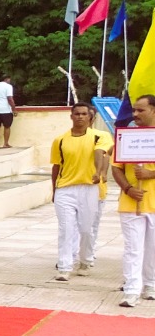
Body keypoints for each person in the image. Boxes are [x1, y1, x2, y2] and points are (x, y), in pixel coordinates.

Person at [50, 101, 111, 281]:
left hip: (89, 188)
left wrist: (99, 172)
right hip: (65, 189)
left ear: (90, 117)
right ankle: (64, 267)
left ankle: (85, 261)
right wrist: (54, 190)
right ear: (71, 116)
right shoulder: (60, 140)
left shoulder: (100, 136)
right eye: (77, 114)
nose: (80, 117)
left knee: (86, 229)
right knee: (66, 228)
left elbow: (101, 153)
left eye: (84, 114)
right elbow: (56, 166)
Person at [112, 94, 155, 307]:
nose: (135, 114)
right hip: (131, 203)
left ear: (153, 110)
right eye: (134, 110)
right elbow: (116, 168)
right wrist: (128, 189)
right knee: (133, 248)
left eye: (140, 110)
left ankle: (151, 285)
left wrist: (151, 174)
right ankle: (131, 290)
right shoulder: (125, 137)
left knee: (152, 249)